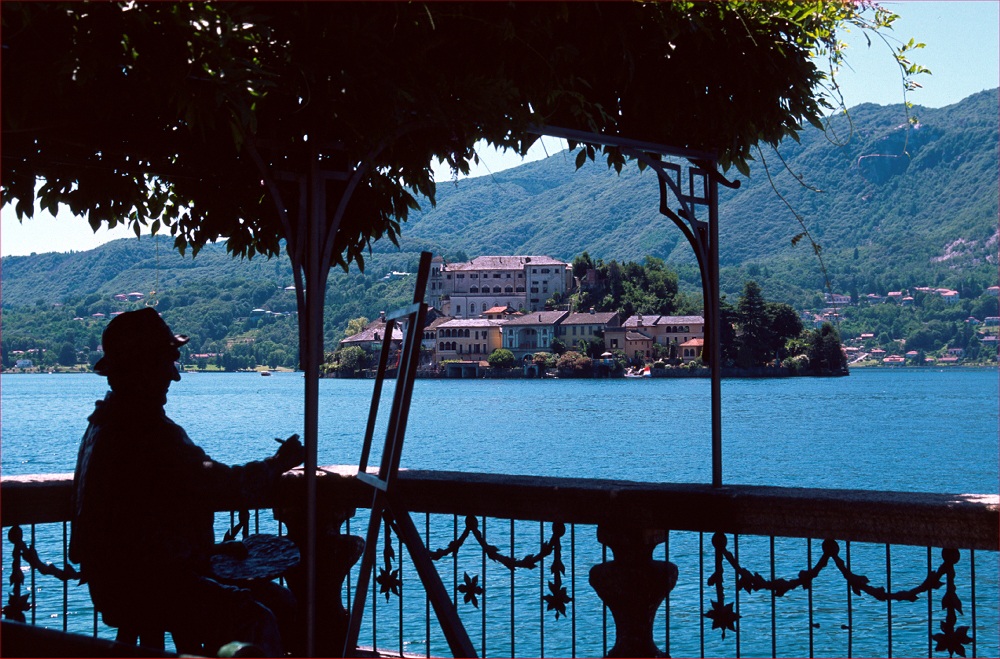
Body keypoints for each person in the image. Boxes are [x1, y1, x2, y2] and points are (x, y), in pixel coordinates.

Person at [69, 308, 304, 656]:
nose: (174, 376)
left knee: (278, 601)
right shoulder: (146, 432)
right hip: (146, 585)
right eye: (167, 362)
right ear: (143, 369)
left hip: (122, 581)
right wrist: (280, 463)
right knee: (258, 618)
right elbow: (222, 484)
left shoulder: (103, 423)